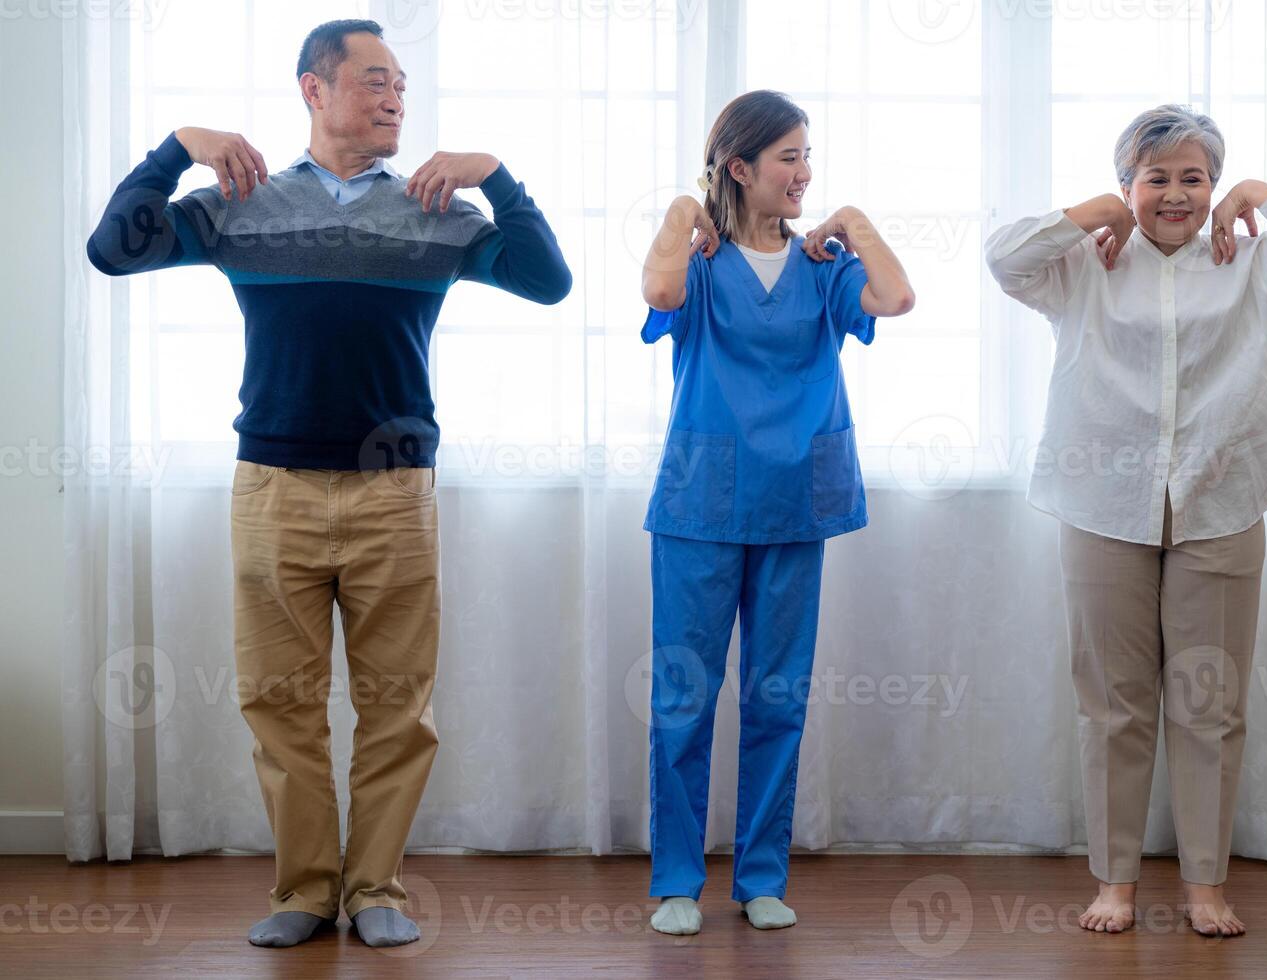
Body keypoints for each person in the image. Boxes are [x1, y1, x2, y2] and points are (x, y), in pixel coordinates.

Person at [86, 19, 571, 949]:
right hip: (272, 489)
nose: (396, 100)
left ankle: (375, 887)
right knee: (280, 701)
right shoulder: (241, 203)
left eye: (402, 86)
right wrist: (177, 148)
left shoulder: (434, 208)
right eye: (375, 81)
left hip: (396, 495)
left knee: (397, 703)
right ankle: (306, 891)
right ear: (314, 89)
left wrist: (495, 176)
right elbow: (114, 250)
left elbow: (547, 282)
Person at [985, 104, 1267, 937]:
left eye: (1196, 178)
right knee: (1113, 703)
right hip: (1101, 506)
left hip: (1222, 502)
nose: (1177, 195)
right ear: (1129, 185)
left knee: (1209, 703)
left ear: (1215, 188)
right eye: (1157, 177)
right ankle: (1114, 881)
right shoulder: (1083, 264)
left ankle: (1204, 885)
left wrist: (1261, 192)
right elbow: (1003, 259)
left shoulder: (1256, 264)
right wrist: (1092, 212)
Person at [638, 90, 915, 936]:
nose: (802, 172)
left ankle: (760, 876)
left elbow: (897, 299)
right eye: (788, 156)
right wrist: (687, 207)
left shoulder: (825, 269)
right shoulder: (700, 263)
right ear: (740, 166)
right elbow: (656, 284)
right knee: (684, 699)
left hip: (795, 504)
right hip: (700, 505)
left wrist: (855, 222)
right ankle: (678, 882)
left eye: (807, 155)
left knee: (777, 698)